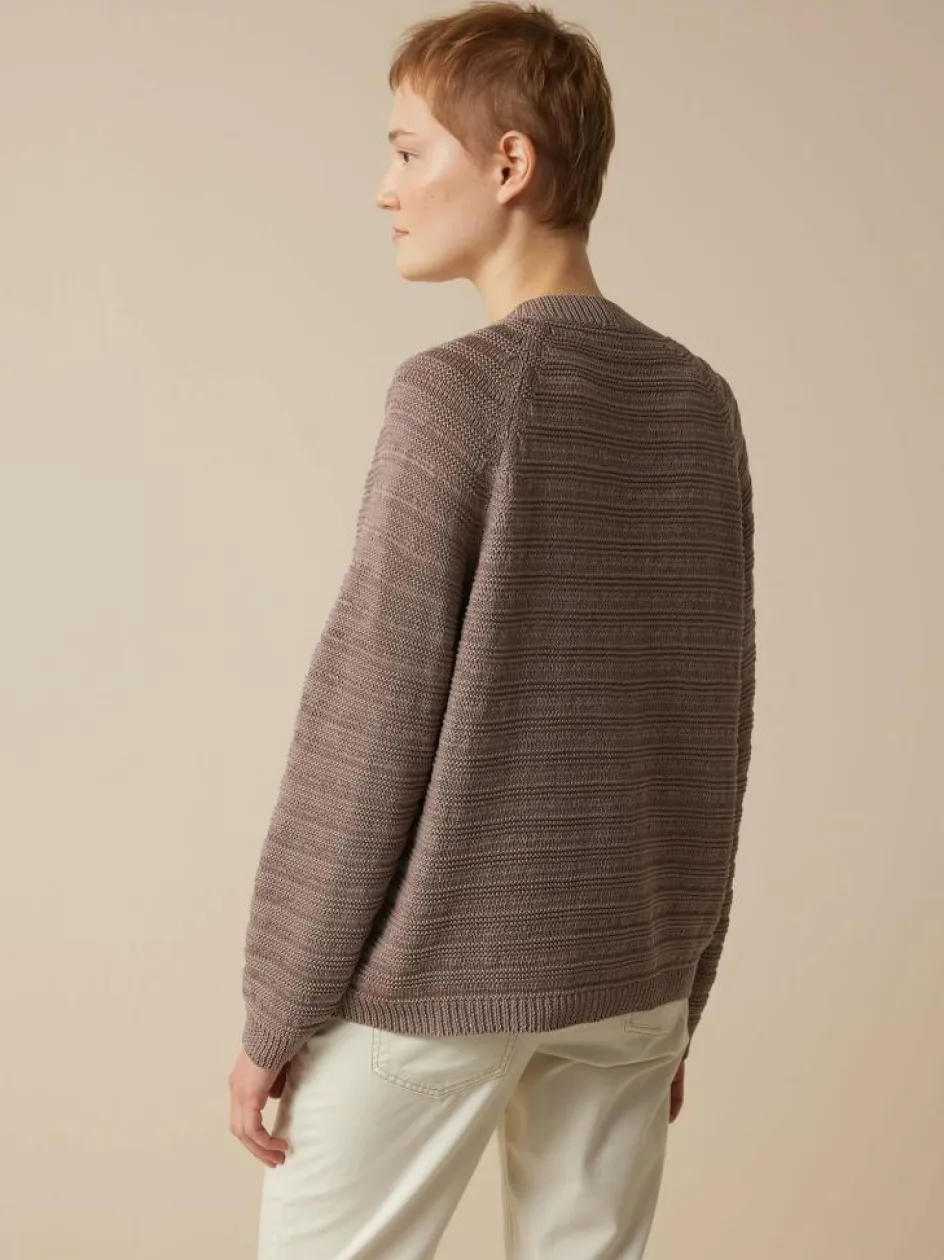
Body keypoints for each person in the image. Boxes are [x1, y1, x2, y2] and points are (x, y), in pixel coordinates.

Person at [228, 3, 757, 1257]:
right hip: (627, 979)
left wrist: (275, 1009)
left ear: (508, 163)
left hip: (443, 977)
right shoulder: (699, 404)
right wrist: (680, 991)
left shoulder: (456, 397)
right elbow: (713, 722)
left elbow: (368, 721)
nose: (385, 188)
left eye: (409, 151)